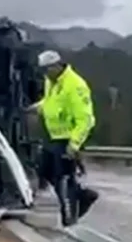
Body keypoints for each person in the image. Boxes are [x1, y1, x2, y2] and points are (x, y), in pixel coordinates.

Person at [27, 50, 97, 227]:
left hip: (69, 139)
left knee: (64, 178)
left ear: (56, 66)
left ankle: (70, 218)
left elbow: (86, 119)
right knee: (44, 170)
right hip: (54, 137)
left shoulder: (75, 85)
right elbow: (51, 102)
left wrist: (74, 144)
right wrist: (37, 108)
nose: (44, 74)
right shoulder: (51, 81)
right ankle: (83, 196)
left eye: (46, 70)